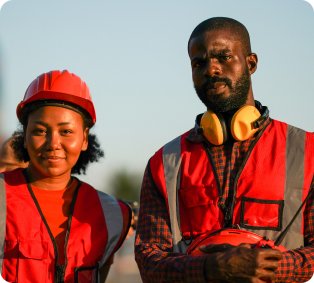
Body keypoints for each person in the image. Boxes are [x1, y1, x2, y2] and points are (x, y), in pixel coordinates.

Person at [135, 17, 314, 283]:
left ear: (251, 63)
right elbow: (150, 260)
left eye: (224, 57)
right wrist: (209, 269)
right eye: (200, 63)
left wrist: (264, 268)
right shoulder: (164, 163)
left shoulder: (307, 150)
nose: (212, 69)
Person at [0, 70, 132, 283]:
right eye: (40, 131)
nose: (53, 143)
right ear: (24, 137)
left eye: (66, 132)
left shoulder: (113, 214)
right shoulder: (3, 198)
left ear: (85, 138)